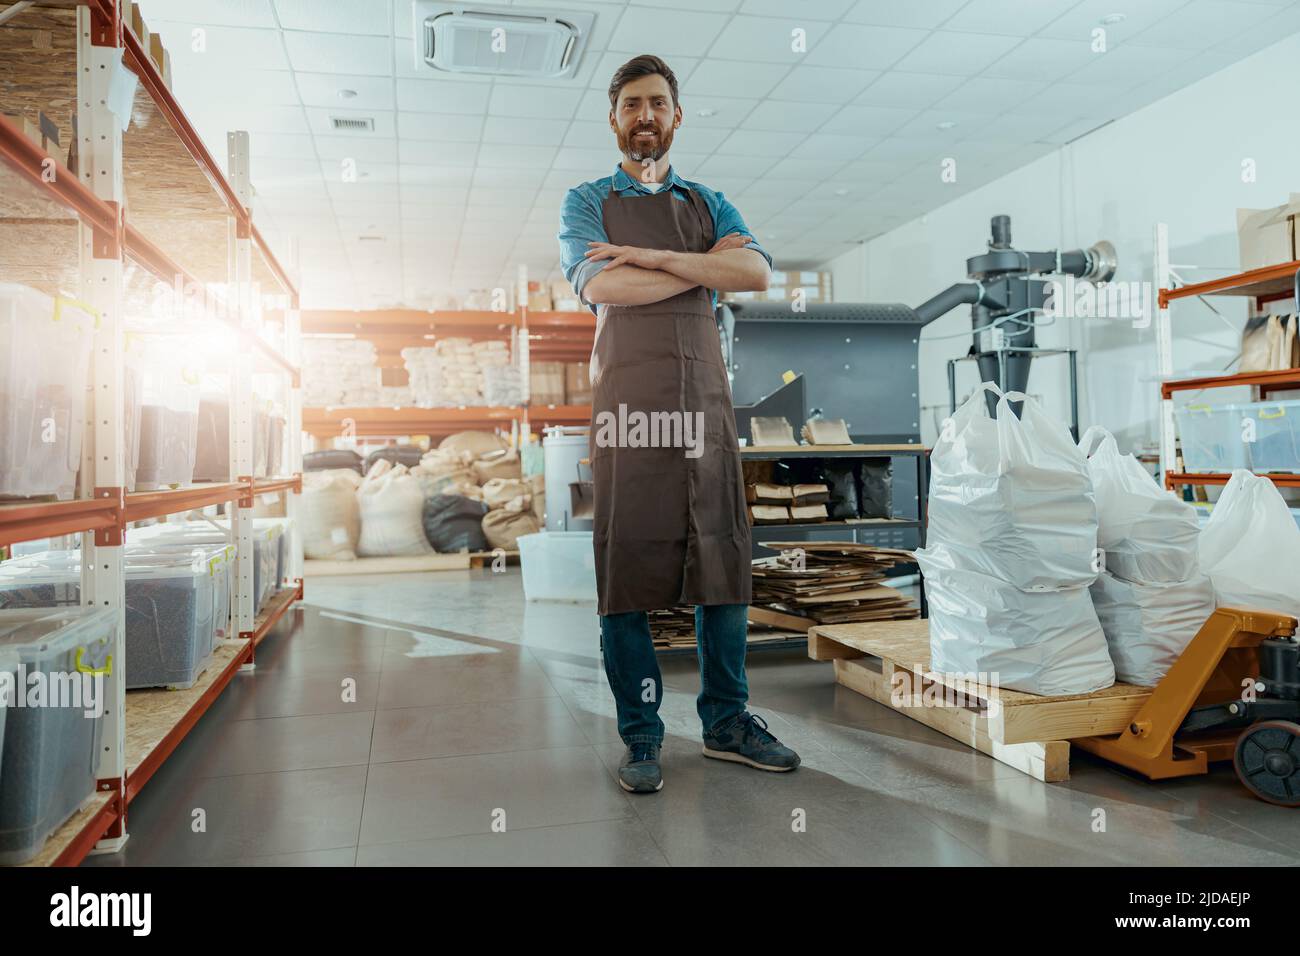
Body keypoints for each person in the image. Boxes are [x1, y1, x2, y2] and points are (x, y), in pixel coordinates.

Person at [557, 54, 800, 794]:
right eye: (632, 104)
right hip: (628, 411)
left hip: (705, 409)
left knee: (724, 562)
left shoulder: (710, 201)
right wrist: (698, 267)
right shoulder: (585, 201)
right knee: (627, 566)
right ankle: (641, 733)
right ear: (613, 118)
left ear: (676, 115)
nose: (645, 115)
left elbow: (755, 274)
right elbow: (602, 283)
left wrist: (655, 257)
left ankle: (727, 722)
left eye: (658, 102)